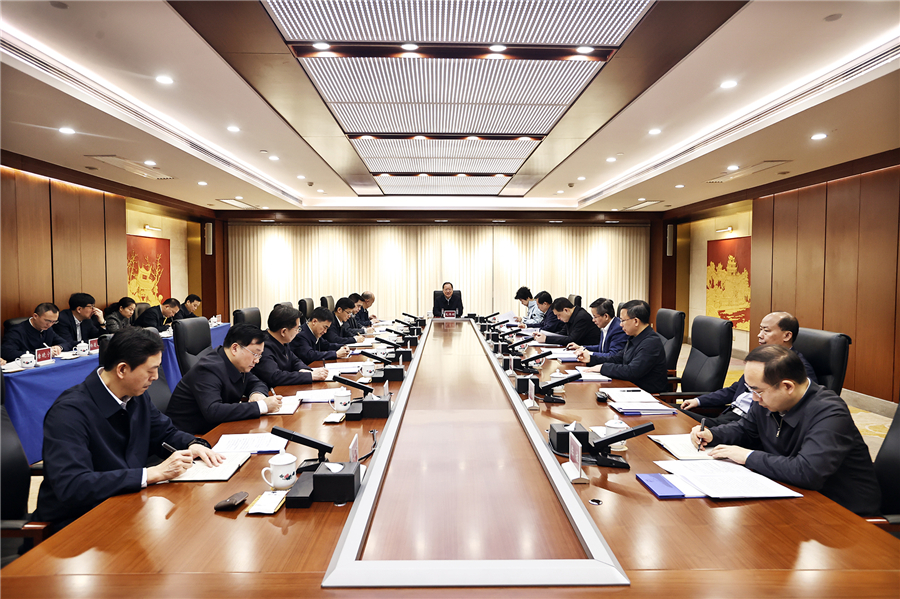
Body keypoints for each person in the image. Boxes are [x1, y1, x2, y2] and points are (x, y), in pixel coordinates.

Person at [34, 327, 224, 531]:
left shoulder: (136, 396)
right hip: (77, 524)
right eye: (150, 370)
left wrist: (192, 444)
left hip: (127, 508)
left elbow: (164, 433)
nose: (155, 377)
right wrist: (151, 474)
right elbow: (73, 485)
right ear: (122, 370)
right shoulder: (69, 412)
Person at [691, 345, 881, 517]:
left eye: (758, 391)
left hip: (842, 513)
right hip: (793, 497)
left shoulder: (830, 412)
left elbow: (807, 472)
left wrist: (748, 456)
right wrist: (714, 434)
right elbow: (745, 429)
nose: (754, 398)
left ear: (788, 386)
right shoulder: (768, 399)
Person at [681, 312, 819, 426]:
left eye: (766, 330)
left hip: (748, 425)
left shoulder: (797, 368)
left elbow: (802, 406)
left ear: (787, 335)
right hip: (729, 415)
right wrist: (699, 401)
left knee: (678, 421)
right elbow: (736, 389)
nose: (759, 335)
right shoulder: (763, 358)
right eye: (760, 329)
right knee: (674, 413)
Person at [165, 324, 280, 434]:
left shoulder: (236, 363)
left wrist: (256, 394)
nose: (257, 360)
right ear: (235, 348)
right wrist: (262, 406)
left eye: (259, 355)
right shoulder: (207, 369)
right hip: (190, 436)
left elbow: (257, 383)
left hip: (217, 427)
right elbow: (213, 411)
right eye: (255, 354)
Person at [583, 300, 668, 393]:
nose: (620, 324)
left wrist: (603, 368)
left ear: (636, 321)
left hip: (646, 394)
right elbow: (617, 358)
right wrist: (591, 359)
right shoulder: (634, 337)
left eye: (623, 320)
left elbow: (632, 371)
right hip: (630, 387)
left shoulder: (651, 343)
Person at [253, 304, 327, 387]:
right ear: (283, 331)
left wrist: (305, 370)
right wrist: (309, 376)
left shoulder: (282, 341)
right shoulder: (263, 347)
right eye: (297, 329)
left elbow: (295, 360)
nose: (298, 332)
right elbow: (275, 377)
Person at [1, 303, 70, 361]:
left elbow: (66, 343)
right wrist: (40, 354)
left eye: (54, 322)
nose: (50, 325)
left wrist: (59, 347)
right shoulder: (17, 331)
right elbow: (7, 352)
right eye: (47, 321)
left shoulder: (48, 329)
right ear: (35, 316)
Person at [532, 297, 601, 347]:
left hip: (588, 351)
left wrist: (546, 339)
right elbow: (562, 333)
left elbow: (572, 339)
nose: (558, 318)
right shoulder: (571, 316)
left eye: (559, 315)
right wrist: (544, 335)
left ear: (566, 310)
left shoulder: (581, 317)